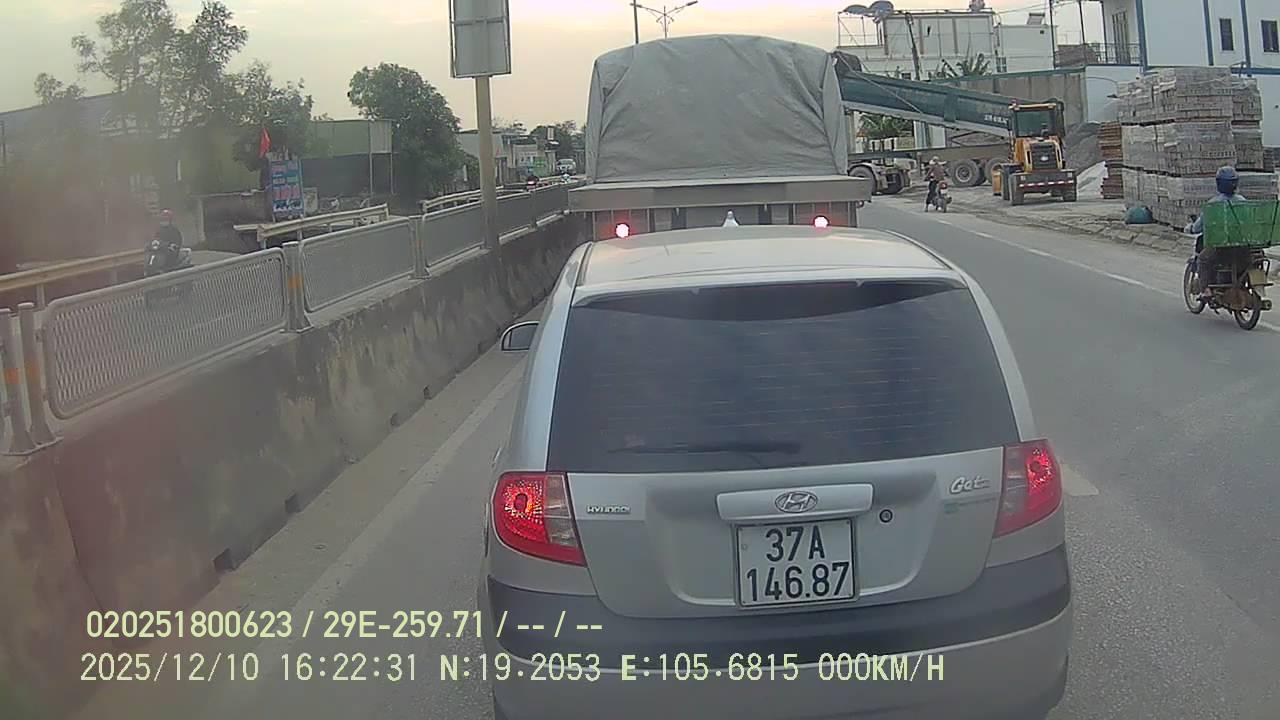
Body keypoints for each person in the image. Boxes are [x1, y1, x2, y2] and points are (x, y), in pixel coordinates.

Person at [1184, 166, 1246, 297]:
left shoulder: (1213, 204)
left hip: (1221, 248)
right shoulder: (1242, 201)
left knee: (1203, 259)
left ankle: (1206, 290)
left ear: (1218, 183)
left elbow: (1198, 227)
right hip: (1242, 247)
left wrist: (1190, 228)